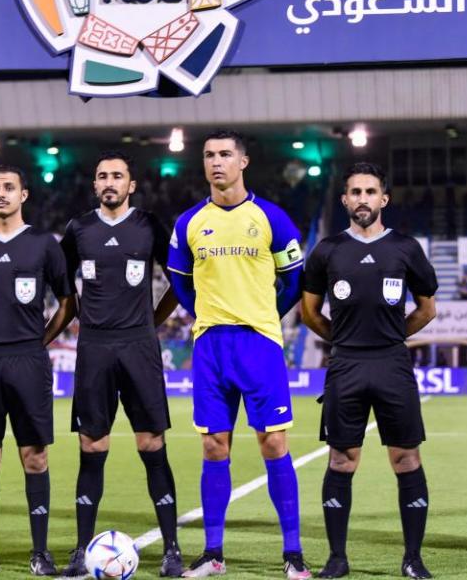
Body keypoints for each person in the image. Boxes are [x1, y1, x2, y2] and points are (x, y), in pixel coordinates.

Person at [167, 130, 311, 579]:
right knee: (213, 445)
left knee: (274, 442)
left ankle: (292, 554)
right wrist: (207, 314)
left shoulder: (271, 217)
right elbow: (180, 283)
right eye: (209, 155)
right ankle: (213, 553)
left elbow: (292, 281)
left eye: (225, 154)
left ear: (243, 162)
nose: (216, 162)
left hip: (260, 344)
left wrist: (265, 314)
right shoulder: (189, 222)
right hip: (211, 345)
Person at [300, 162, 438, 579]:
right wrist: (342, 340)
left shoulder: (406, 249)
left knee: (406, 457)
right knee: (342, 459)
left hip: (393, 362)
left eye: (370, 191)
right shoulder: (327, 250)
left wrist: (394, 334)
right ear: (345, 199)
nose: (362, 199)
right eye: (355, 192)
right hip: (346, 365)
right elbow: (308, 312)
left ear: (384, 199)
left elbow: (427, 308)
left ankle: (413, 558)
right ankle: (337, 559)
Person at [57, 152, 183, 577]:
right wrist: (81, 315)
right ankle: (80, 549)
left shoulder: (149, 225)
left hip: (139, 347)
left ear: (131, 185)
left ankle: (171, 549)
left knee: (152, 445)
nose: (109, 182)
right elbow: (61, 286)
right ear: (95, 185)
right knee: (92, 447)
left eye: (117, 176)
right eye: (102, 176)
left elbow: (180, 281)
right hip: (94, 348)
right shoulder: (78, 229)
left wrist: (152, 319)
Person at [0, 165, 75, 577]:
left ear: (24, 195)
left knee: (34, 456)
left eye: (8, 188)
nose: (0, 194)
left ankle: (40, 552)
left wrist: (41, 338)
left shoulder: (44, 244)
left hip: (29, 359)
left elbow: (66, 300)